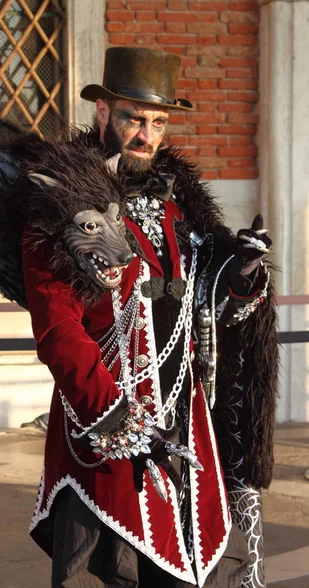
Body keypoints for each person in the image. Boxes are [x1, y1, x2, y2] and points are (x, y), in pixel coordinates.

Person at [24, 47, 279, 588]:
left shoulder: (176, 206)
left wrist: (241, 273)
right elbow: (58, 331)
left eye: (158, 122)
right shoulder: (64, 206)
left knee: (193, 564)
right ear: (102, 115)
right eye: (133, 119)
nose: (146, 135)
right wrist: (116, 417)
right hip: (108, 424)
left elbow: (202, 305)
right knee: (118, 571)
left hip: (186, 421)